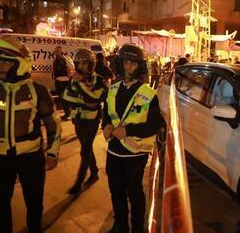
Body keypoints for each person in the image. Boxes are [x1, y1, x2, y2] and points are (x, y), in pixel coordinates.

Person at [0, 37, 61, 233]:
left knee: (34, 204)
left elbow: (53, 124)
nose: (1, 65)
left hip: (31, 159)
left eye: (6, 61)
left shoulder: (38, 91)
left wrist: (52, 153)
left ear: (20, 63)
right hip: (0, 159)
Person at [102, 44, 165, 233]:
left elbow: (155, 125)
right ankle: (120, 224)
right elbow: (107, 114)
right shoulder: (112, 89)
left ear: (140, 67)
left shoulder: (148, 94)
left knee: (135, 194)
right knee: (116, 192)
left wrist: (128, 131)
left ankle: (137, 228)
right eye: (126, 62)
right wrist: (105, 125)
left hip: (135, 155)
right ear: (119, 64)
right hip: (113, 151)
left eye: (133, 64)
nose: (129, 67)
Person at [63, 49, 107, 195]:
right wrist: (85, 98)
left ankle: (78, 183)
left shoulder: (99, 80)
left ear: (92, 64)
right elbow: (67, 97)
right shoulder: (74, 79)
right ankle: (94, 172)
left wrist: (81, 87)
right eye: (79, 63)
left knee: (85, 150)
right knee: (86, 148)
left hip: (92, 120)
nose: (82, 66)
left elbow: (94, 100)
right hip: (78, 119)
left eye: (85, 63)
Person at [53, 46, 71, 120]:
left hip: (65, 82)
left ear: (61, 52)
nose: (56, 53)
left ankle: (67, 114)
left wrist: (64, 57)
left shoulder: (66, 59)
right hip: (58, 82)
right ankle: (67, 113)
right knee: (61, 99)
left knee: (64, 99)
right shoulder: (55, 60)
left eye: (57, 51)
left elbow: (71, 66)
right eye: (55, 51)